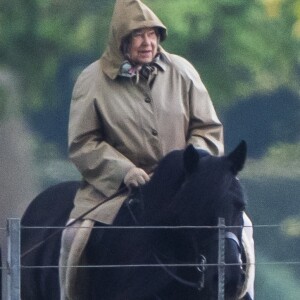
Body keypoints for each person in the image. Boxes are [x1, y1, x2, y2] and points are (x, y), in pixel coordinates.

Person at [59, 0, 254, 299]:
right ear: (121, 40)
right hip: (117, 189)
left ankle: (242, 292)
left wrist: (192, 166)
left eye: (152, 34)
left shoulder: (183, 71)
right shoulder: (92, 81)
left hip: (186, 185)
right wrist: (125, 171)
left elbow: (208, 128)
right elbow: (83, 143)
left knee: (243, 226)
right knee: (74, 236)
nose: (147, 42)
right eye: (138, 35)